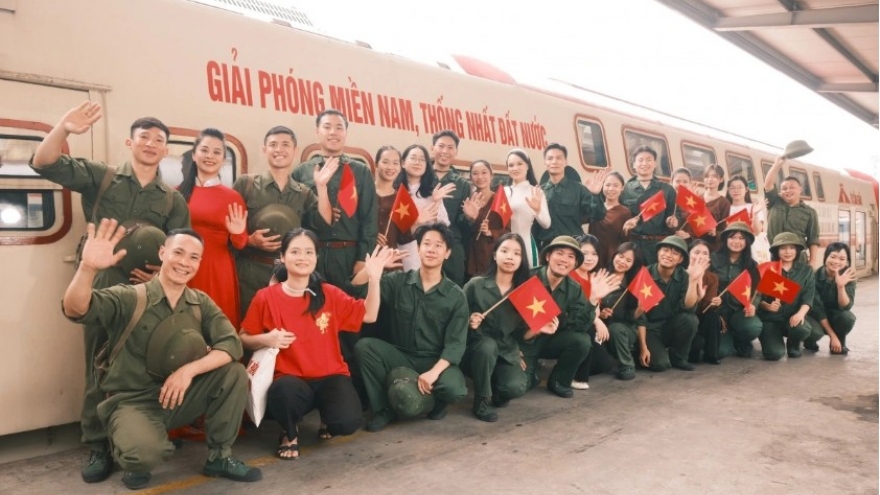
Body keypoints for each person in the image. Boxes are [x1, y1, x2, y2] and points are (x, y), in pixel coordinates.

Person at [30, 102, 191, 483]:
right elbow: (44, 162)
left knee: (146, 364)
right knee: (98, 363)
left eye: (159, 140)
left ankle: (136, 441)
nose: (151, 144)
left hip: (146, 290)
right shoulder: (101, 177)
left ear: (166, 150)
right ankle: (99, 446)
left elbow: (180, 245)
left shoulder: (172, 199)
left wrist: (160, 269)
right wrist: (64, 129)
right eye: (144, 137)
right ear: (129, 142)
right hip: (101, 283)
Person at [61, 220, 260, 489]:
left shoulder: (200, 302)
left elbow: (231, 345)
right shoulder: (131, 297)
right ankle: (128, 444)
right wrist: (87, 269)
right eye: (178, 253)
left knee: (233, 373)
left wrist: (187, 371)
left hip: (178, 397)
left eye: (193, 257)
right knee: (142, 458)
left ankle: (219, 457)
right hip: (133, 401)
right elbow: (76, 309)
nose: (184, 262)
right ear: (162, 253)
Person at [239, 229, 390, 459]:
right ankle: (289, 432)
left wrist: (375, 279)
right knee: (284, 395)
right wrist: (266, 339)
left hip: (330, 376)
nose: (303, 258)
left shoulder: (329, 293)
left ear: (316, 257)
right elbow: (243, 337)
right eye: (296, 252)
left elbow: (369, 315)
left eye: (309, 252)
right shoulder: (266, 297)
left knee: (347, 422)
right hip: (290, 379)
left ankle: (327, 417)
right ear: (283, 256)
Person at [353, 223, 469, 432]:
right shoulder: (398, 281)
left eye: (438, 245)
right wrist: (371, 273)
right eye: (426, 244)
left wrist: (433, 373)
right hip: (401, 355)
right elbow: (356, 289)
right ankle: (383, 408)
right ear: (418, 249)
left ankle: (435, 402)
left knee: (455, 389)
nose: (431, 249)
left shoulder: (456, 296)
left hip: (434, 359)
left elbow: (455, 345)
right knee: (365, 347)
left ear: (448, 253)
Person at [233, 126, 324, 317]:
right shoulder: (246, 184)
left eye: (285, 145)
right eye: (273, 145)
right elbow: (229, 228)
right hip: (250, 271)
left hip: (289, 274)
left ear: (295, 151)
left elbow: (322, 224)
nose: (279, 150)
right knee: (248, 324)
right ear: (264, 149)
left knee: (286, 324)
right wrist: (249, 240)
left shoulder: (304, 193)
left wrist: (322, 187)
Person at [520, 236, 617, 398]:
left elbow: (579, 325)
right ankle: (531, 374)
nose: (565, 260)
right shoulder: (527, 279)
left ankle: (559, 381)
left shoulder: (574, 288)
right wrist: (512, 349)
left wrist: (592, 300)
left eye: (571, 257)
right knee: (516, 387)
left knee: (582, 340)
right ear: (548, 256)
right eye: (560, 253)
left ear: (575, 263)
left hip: (551, 341)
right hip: (523, 342)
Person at [293, 109, 379, 291]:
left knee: (350, 310)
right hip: (312, 254)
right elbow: (296, 217)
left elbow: (369, 219)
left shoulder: (360, 171)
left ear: (346, 133)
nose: (333, 132)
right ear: (318, 131)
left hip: (349, 253)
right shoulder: (302, 171)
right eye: (327, 127)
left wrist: (362, 258)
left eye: (339, 127)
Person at [179, 128, 248, 328]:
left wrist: (236, 233)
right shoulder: (176, 194)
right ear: (194, 154)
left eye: (217, 152)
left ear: (223, 159)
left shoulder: (232, 197)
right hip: (181, 265)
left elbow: (241, 243)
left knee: (216, 327)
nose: (210, 156)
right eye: (205, 150)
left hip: (217, 268)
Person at [462, 233, 531, 422]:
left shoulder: (523, 293)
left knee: (515, 387)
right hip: (476, 351)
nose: (510, 257)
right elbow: (455, 319)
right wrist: (469, 320)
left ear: (521, 260)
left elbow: (521, 333)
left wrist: (540, 329)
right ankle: (481, 400)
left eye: (517, 253)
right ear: (494, 255)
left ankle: (494, 388)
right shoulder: (476, 285)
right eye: (505, 251)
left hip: (505, 352)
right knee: (487, 346)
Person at [636, 236, 705, 372]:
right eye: (665, 250)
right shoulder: (645, 274)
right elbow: (640, 317)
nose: (668, 255)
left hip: (671, 326)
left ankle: (679, 358)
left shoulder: (684, 276)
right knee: (660, 365)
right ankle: (641, 351)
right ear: (658, 253)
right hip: (650, 330)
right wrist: (643, 347)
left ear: (680, 259)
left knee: (690, 320)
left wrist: (693, 281)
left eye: (675, 253)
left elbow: (689, 308)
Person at [393, 144, 454, 271]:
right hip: (396, 251)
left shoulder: (432, 194)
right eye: (413, 158)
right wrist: (416, 221)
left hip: (423, 254)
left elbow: (443, 228)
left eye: (422, 159)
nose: (418, 162)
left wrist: (436, 202)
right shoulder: (394, 191)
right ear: (403, 163)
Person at [757, 232, 816, 360]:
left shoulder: (806, 271)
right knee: (774, 354)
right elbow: (757, 298)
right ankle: (772, 340)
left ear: (797, 250)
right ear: (777, 251)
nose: (788, 252)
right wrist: (767, 306)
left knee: (802, 329)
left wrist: (800, 314)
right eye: (783, 248)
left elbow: (808, 297)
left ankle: (793, 344)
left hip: (792, 317)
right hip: (770, 319)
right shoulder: (768, 269)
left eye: (792, 247)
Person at [536, 143, 606, 246]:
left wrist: (595, 195)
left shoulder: (579, 189)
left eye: (559, 158)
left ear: (565, 162)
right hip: (547, 247)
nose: (554, 162)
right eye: (550, 158)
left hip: (572, 246)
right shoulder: (539, 191)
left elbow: (598, 215)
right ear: (545, 163)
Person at [710, 222, 762, 359]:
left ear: (747, 242)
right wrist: (713, 310)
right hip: (718, 313)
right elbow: (706, 284)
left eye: (741, 238)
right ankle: (728, 338)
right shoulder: (713, 259)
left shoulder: (752, 265)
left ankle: (742, 339)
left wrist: (753, 305)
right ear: (726, 239)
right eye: (732, 237)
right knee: (720, 352)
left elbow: (757, 289)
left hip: (739, 312)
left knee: (753, 327)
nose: (736, 242)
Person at [570, 234, 615, 390]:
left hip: (588, 323)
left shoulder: (593, 277)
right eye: (585, 253)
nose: (590, 258)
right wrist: (596, 321)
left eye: (594, 254)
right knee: (587, 328)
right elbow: (574, 311)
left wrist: (600, 316)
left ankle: (568, 368)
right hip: (572, 325)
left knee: (605, 364)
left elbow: (595, 306)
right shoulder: (570, 276)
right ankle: (578, 377)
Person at [431, 130, 473, 286]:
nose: (444, 151)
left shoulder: (462, 184)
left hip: (453, 248)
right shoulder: (422, 176)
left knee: (452, 290)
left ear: (456, 152)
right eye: (441, 146)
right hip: (423, 244)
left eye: (450, 147)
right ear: (432, 148)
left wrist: (469, 217)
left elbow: (464, 225)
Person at [621, 146, 675, 266]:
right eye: (640, 160)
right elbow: (618, 214)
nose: (644, 163)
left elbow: (672, 215)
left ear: (655, 164)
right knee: (633, 280)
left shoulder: (666, 190)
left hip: (657, 246)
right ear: (634, 164)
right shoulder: (625, 189)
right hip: (633, 245)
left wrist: (672, 221)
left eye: (649, 159)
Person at [762, 157, 820, 265]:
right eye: (784, 188)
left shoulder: (810, 212)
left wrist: (812, 261)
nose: (788, 190)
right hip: (776, 257)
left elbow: (813, 239)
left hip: (798, 260)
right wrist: (777, 165)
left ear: (800, 189)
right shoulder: (774, 202)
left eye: (792, 187)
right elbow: (768, 185)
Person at [597, 243, 641, 380]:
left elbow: (632, 317)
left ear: (633, 264)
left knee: (616, 329)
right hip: (600, 328)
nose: (622, 262)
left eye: (628, 260)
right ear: (614, 255)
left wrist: (641, 309)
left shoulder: (633, 284)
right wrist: (601, 313)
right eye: (621, 256)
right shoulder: (601, 275)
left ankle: (627, 365)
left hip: (624, 328)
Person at [804, 242, 857, 355]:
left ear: (847, 261)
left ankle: (839, 340)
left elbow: (846, 306)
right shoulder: (813, 276)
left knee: (847, 317)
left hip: (835, 315)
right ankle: (809, 341)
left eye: (842, 259)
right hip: (816, 317)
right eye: (832, 257)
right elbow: (819, 311)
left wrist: (841, 286)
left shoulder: (848, 277)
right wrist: (832, 336)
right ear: (826, 257)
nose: (836, 262)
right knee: (814, 332)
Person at [505, 149, 551, 268]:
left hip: (526, 245)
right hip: (504, 247)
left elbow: (547, 224)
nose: (515, 168)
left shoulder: (535, 191)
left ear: (527, 166)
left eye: (520, 164)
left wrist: (537, 211)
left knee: (527, 282)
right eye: (511, 165)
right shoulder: (503, 192)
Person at [466, 159, 509, 278]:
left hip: (491, 256)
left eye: (484, 172)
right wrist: (471, 218)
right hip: (470, 256)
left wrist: (491, 232)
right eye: (475, 173)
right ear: (470, 177)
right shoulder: (467, 199)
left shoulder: (500, 201)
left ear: (491, 175)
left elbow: (508, 231)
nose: (480, 177)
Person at [687, 240, 723, 365]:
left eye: (705, 253)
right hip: (686, 318)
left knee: (713, 317)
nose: (701, 256)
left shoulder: (712, 277)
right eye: (696, 252)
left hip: (702, 315)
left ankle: (712, 354)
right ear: (688, 254)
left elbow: (707, 306)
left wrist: (714, 303)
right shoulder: (681, 274)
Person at [588, 171, 633, 269]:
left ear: (622, 188)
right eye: (607, 185)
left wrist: (626, 230)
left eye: (616, 185)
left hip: (610, 257)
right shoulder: (595, 206)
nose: (611, 189)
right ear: (602, 186)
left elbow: (625, 241)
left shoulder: (625, 212)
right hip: (591, 254)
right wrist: (593, 194)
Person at [374, 146, 402, 249]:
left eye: (395, 163)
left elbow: (405, 237)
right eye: (385, 162)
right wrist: (370, 234)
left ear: (400, 167)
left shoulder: (401, 198)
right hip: (363, 259)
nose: (391, 167)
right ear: (376, 164)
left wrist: (417, 223)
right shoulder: (363, 192)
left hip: (391, 257)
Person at [697, 164, 730, 251]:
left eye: (714, 176)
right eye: (707, 176)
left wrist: (716, 233)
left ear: (721, 179)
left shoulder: (724, 203)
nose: (710, 179)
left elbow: (724, 230)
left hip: (712, 246)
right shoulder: (697, 198)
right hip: (694, 243)